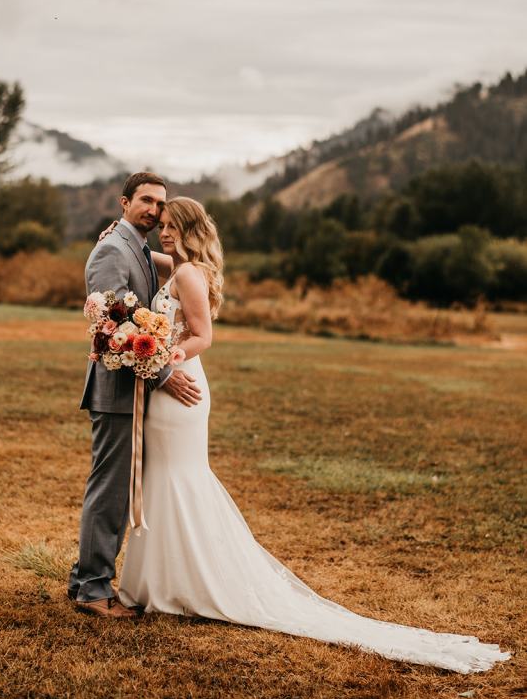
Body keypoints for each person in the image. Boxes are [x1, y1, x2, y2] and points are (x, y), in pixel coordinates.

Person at [117, 196, 510, 673]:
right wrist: (121, 237)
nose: (165, 234)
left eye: (173, 227)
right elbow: (150, 258)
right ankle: (163, 579)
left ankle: (184, 582)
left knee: (179, 476)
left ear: (190, 229)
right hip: (168, 385)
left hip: (181, 387)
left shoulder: (189, 276)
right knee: (164, 475)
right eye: (163, 227)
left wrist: (166, 356)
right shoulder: (180, 267)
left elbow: (203, 336)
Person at [68, 173, 202, 618]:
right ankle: (92, 590)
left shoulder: (138, 247)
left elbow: (176, 274)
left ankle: (85, 578)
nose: (154, 210)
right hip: (117, 389)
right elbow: (112, 325)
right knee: (109, 491)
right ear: (125, 202)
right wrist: (163, 373)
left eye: (159, 204)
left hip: (135, 390)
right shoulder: (112, 248)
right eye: (145, 200)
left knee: (116, 490)